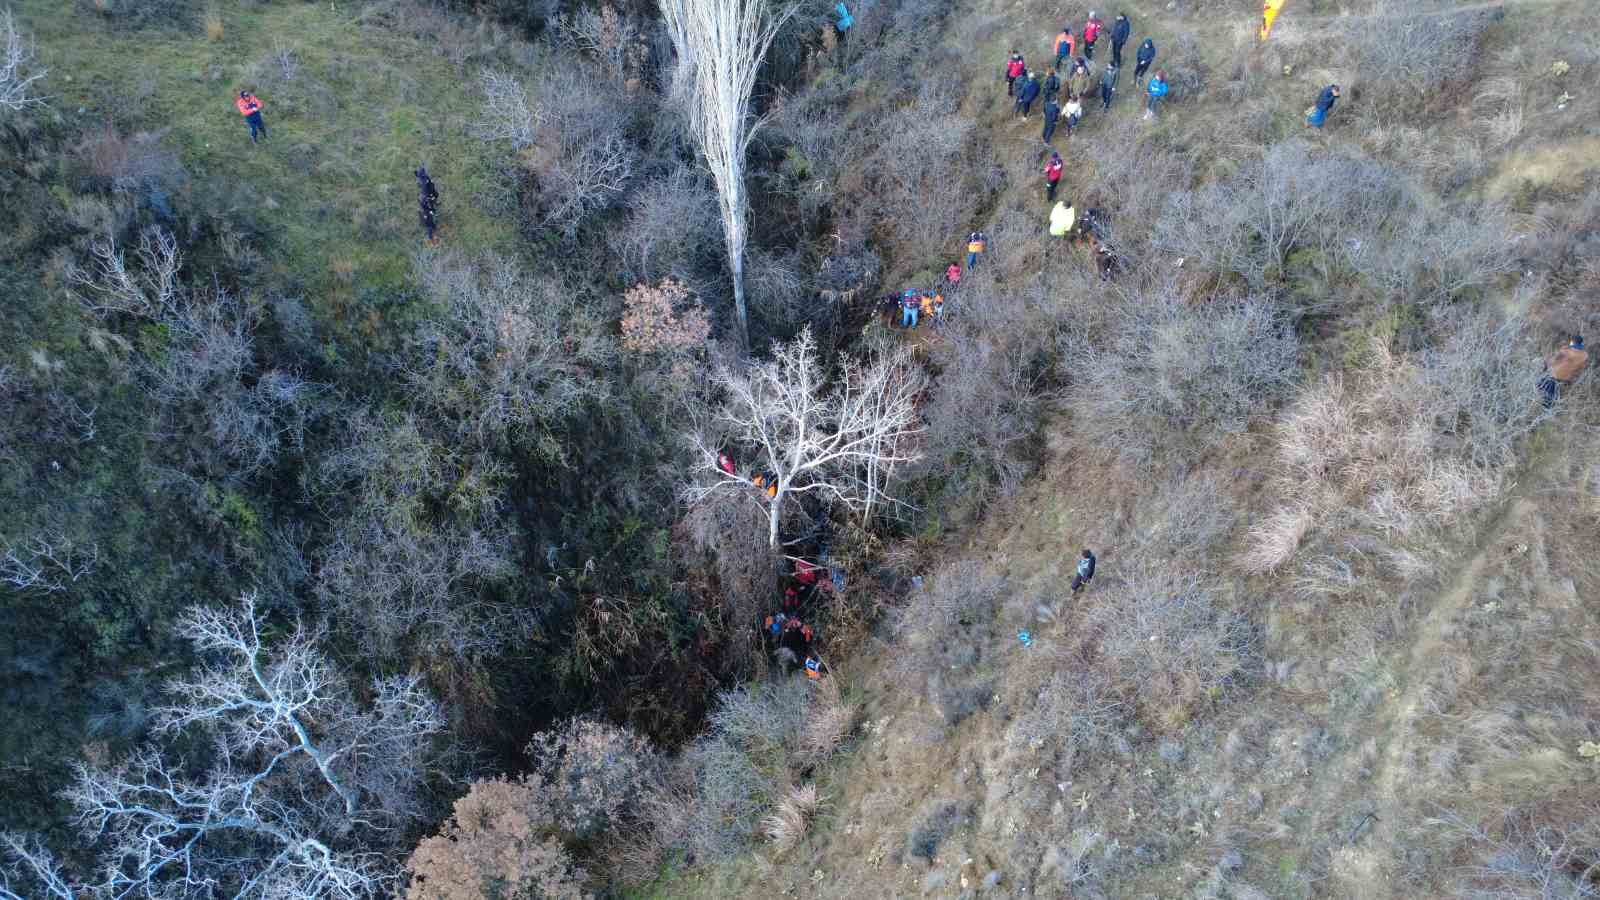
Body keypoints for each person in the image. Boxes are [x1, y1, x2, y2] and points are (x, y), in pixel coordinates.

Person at [1540, 335, 1588, 407]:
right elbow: (1580, 369)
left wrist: (1546, 364)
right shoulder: (1584, 355)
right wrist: (1572, 379)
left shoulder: (1565, 350)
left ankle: (1546, 407)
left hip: (1556, 374)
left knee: (1543, 385)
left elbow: (1554, 359)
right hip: (1567, 378)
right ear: (1581, 344)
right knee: (1554, 391)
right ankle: (1550, 405)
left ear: (1572, 342)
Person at [416, 167, 440, 244]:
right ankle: (431, 237)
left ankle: (433, 231)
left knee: (430, 217)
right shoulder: (424, 181)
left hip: (428, 199)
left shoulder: (425, 179)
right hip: (427, 201)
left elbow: (430, 188)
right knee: (429, 220)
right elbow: (427, 190)